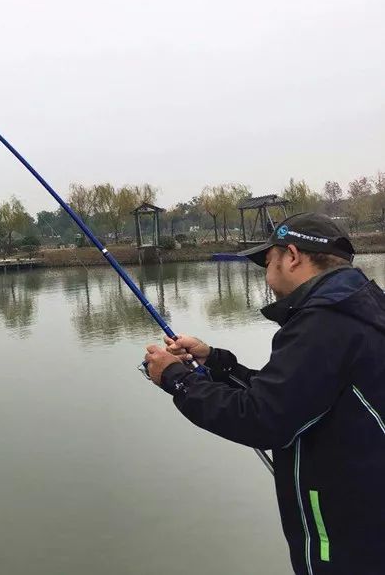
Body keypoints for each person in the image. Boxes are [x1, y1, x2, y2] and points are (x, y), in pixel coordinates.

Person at [142, 212, 385, 575]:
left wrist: (176, 378)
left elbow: (262, 419)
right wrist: (217, 363)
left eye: (267, 261)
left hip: (346, 533)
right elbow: (296, 397)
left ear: (292, 255)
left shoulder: (322, 323)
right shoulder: (359, 308)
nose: (266, 274)